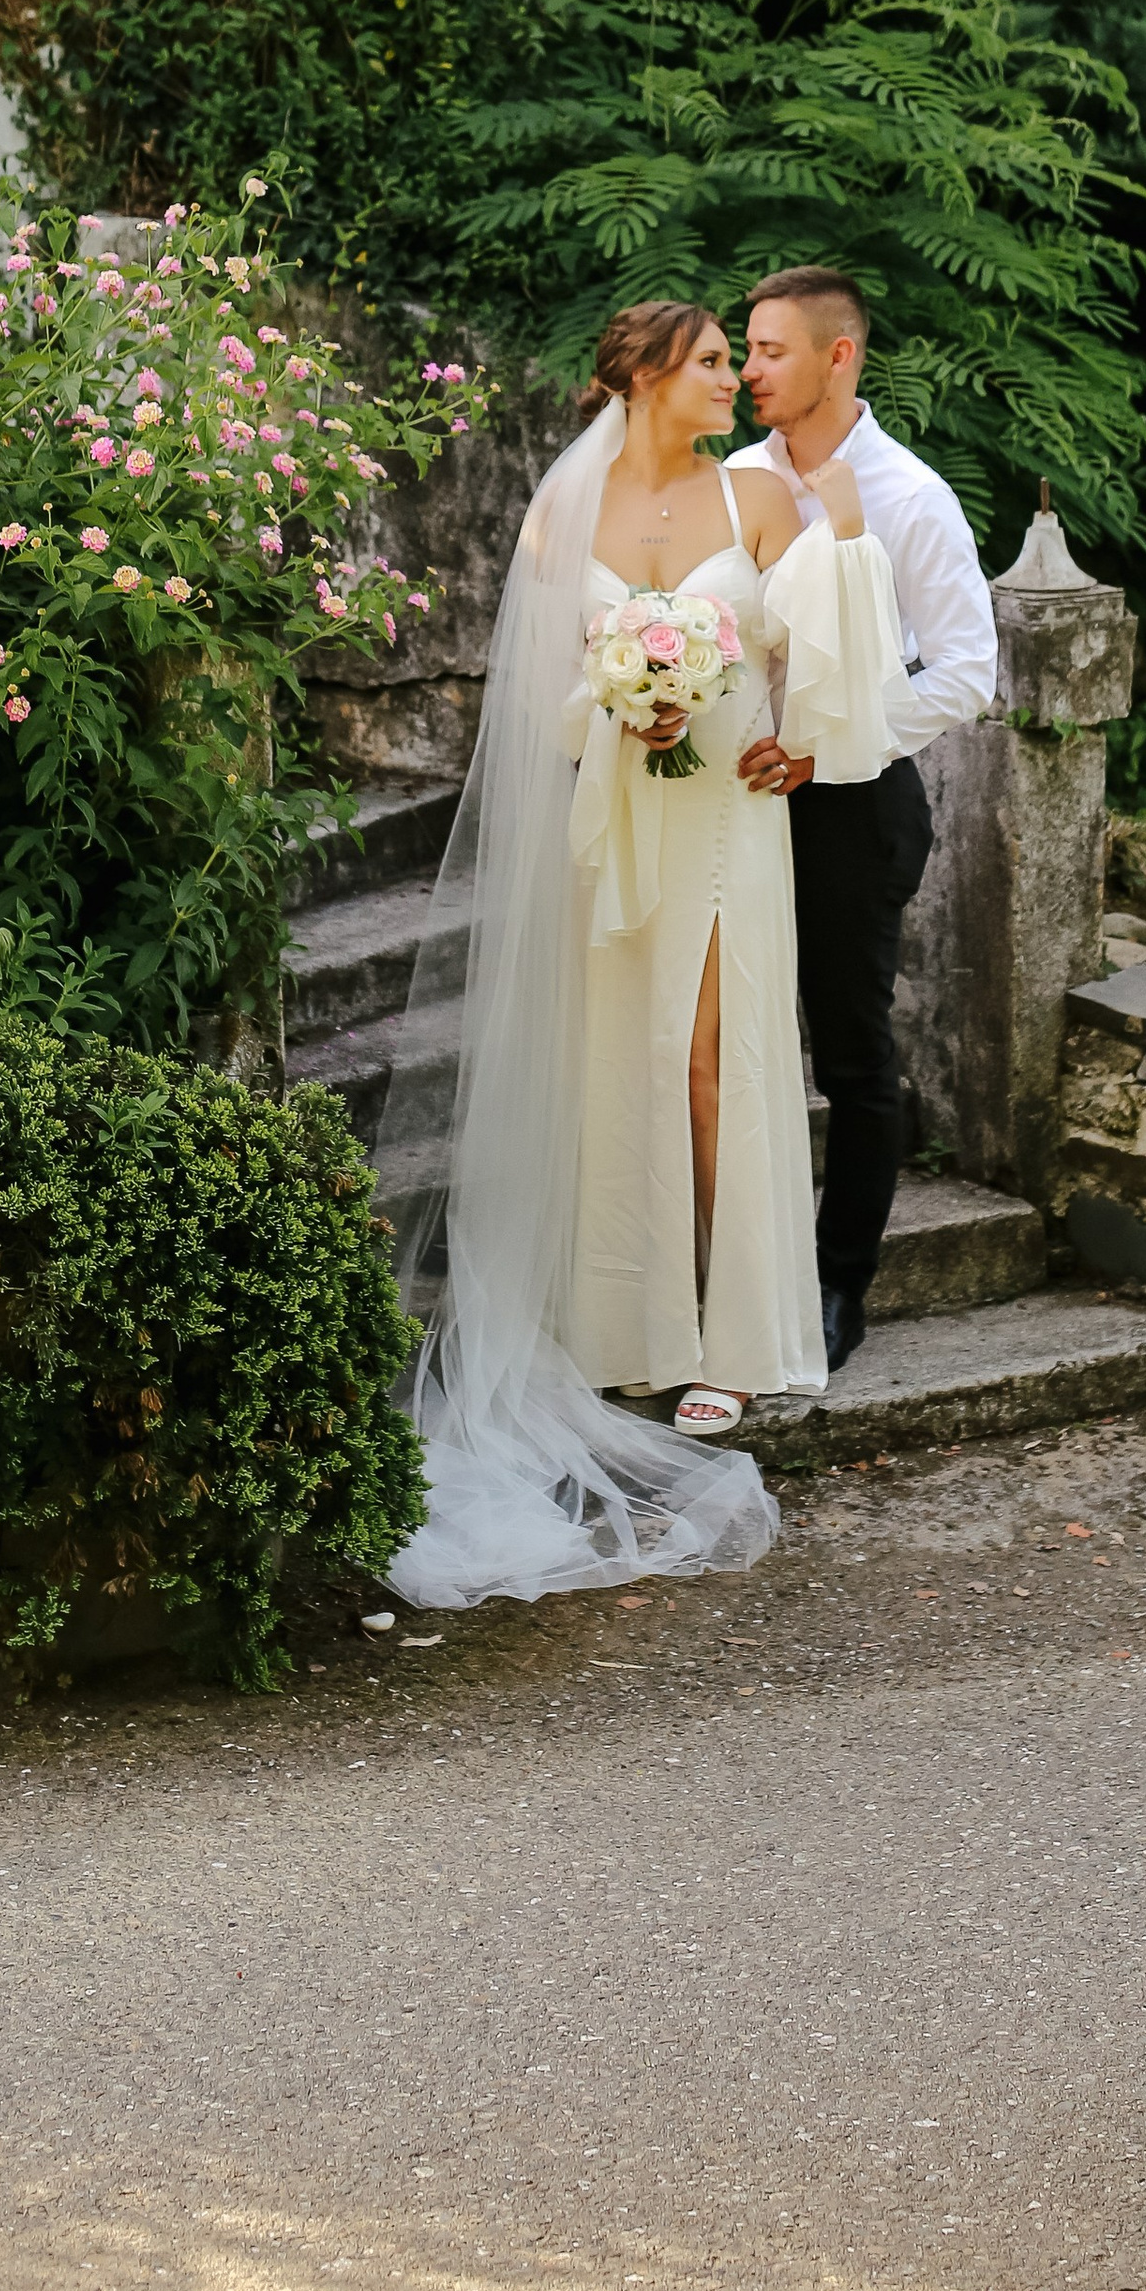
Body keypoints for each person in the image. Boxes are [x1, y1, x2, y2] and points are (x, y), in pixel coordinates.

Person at [377, 298, 909, 1609]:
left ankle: (727, 1337)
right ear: (649, 375)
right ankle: (627, 1324)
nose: (735, 379)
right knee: (619, 1065)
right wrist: (624, 699)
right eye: (715, 362)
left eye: (739, 359)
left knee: (712, 1067)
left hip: (728, 821)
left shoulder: (758, 501)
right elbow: (540, 699)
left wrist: (806, 710)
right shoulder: (561, 514)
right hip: (615, 824)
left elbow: (833, 658)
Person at [729, 264, 998, 1372]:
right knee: (729, 1047)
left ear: (838, 357)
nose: (749, 370)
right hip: (731, 804)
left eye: (771, 351)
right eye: (746, 350)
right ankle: (731, 1275)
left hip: (852, 809)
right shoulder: (733, 479)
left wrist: (828, 744)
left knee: (850, 1055)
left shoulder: (910, 498)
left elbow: (967, 672)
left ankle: (841, 1284)